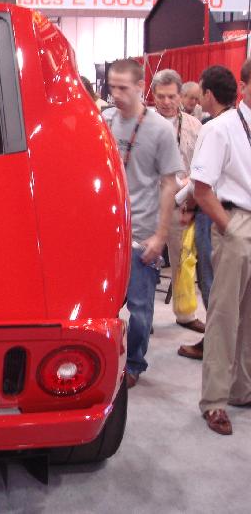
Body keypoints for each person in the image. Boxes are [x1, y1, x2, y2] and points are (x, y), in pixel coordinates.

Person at [104, 59, 183, 388]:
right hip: (107, 233)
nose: (116, 94)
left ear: (140, 87)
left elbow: (169, 184)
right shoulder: (104, 121)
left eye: (123, 88)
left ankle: (135, 362)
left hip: (142, 233)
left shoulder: (160, 130)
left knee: (139, 309)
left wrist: (160, 235)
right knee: (103, 307)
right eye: (112, 87)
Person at [191, 59, 251, 435]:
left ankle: (242, 389)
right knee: (225, 316)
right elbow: (201, 189)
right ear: (244, 84)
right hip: (236, 221)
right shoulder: (221, 128)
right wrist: (230, 229)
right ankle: (214, 401)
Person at [178, 66, 238, 361]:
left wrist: (186, 205)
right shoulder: (240, 123)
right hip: (235, 214)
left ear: (209, 94)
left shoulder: (213, 128)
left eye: (200, 93)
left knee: (212, 282)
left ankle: (214, 344)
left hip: (215, 214)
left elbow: (200, 184)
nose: (198, 99)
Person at [150, 69, 204, 333]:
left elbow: (202, 165)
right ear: (153, 95)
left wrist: (190, 198)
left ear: (180, 95)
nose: (166, 102)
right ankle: (142, 315)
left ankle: (185, 314)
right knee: (143, 262)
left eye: (171, 96)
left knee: (184, 259)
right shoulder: (143, 123)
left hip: (181, 204)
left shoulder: (195, 126)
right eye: (161, 96)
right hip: (148, 204)